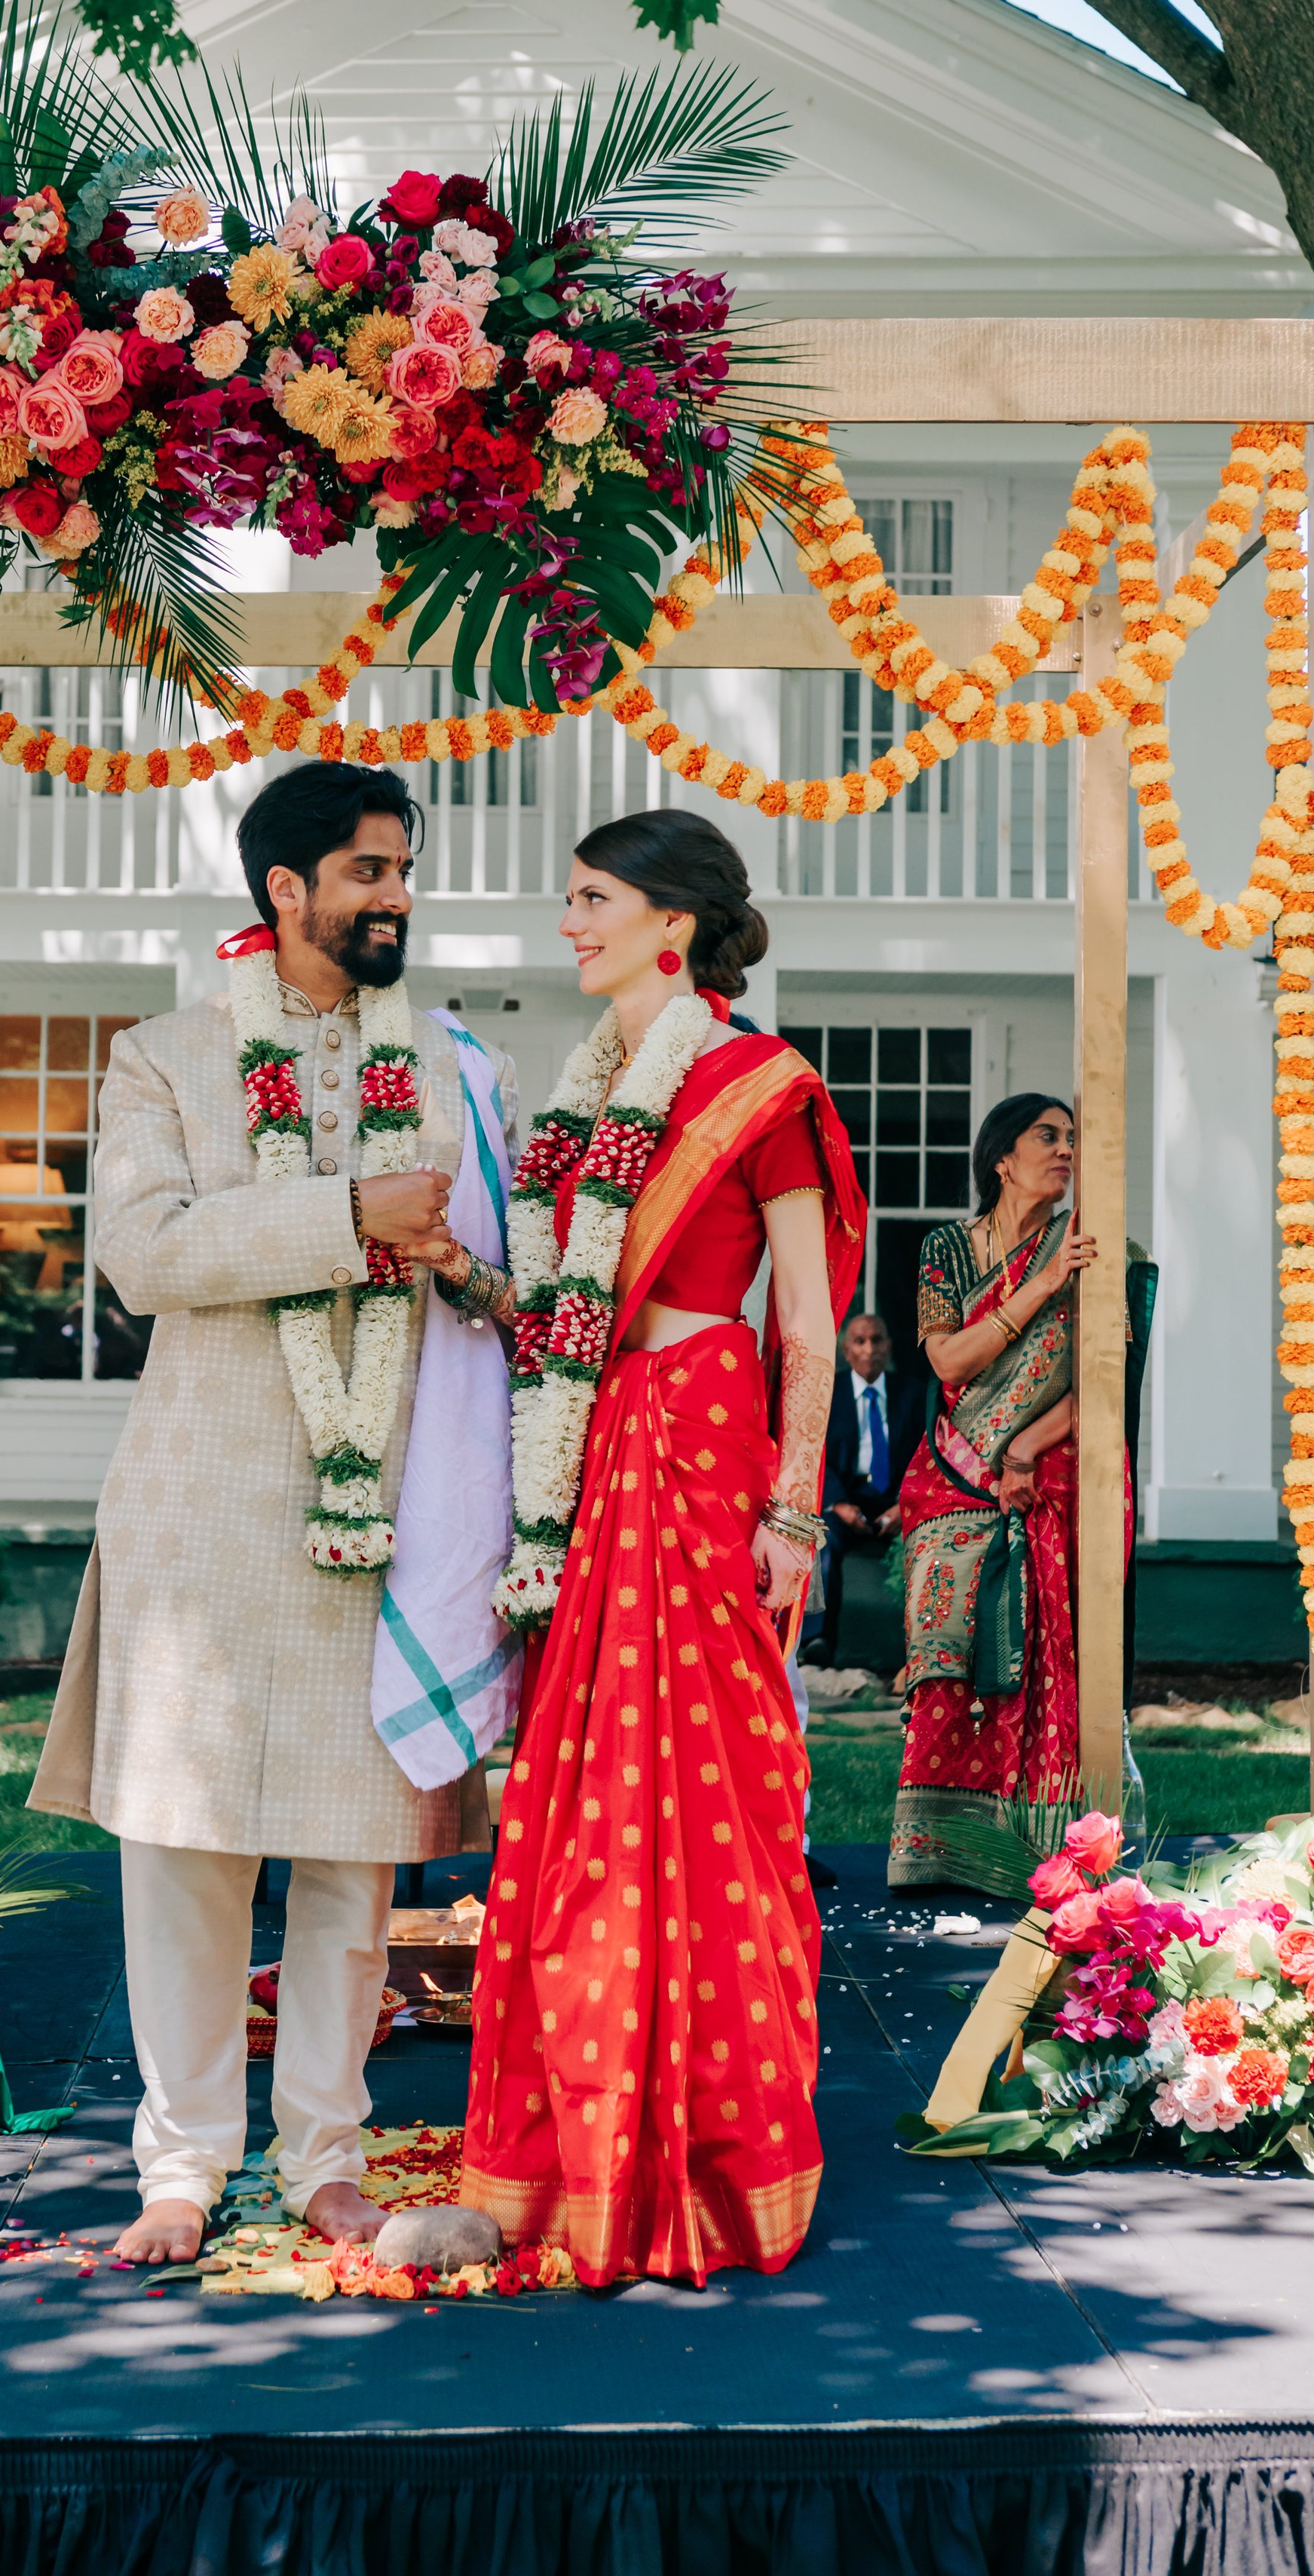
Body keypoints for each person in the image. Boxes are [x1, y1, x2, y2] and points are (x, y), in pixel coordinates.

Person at [30, 762, 513, 2268]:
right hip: (204, 1503)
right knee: (181, 1849)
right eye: (369, 871)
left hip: (382, 1504)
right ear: (285, 890)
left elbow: (497, 1265)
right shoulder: (162, 1058)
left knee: (350, 1858)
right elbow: (143, 1252)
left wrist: (465, 1269)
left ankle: (324, 2153)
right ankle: (177, 2162)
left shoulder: (446, 1067)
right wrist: (346, 1221)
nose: (396, 896)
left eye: (404, 869)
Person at [459, 808, 865, 2286]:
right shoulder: (575, 1095)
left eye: (589, 900)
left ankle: (697, 2147)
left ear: (669, 924)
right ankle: (575, 2140)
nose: (565, 923)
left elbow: (807, 1328)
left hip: (700, 1452)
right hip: (593, 1451)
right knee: (576, 1800)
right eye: (564, 899)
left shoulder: (759, 1085)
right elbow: (563, 1309)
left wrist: (794, 1509)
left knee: (702, 1794)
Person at [887, 1094, 1123, 1891]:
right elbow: (948, 1362)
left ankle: (1034, 1852)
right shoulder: (946, 1250)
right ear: (1002, 1157)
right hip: (954, 1472)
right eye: (1046, 1136)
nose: (1064, 1149)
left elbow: (1103, 1378)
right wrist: (1042, 1285)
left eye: (1071, 1137)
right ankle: (940, 1848)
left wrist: (1026, 1442)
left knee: (1040, 1654)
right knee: (946, 1650)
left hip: (1045, 1468)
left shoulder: (1091, 1245)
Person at [806, 1311, 925, 1668]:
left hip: (896, 1501)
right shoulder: (828, 1393)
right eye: (860, 1340)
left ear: (889, 1347)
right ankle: (817, 1642)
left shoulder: (913, 1394)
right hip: (846, 1499)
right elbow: (816, 1453)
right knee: (822, 1546)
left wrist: (905, 1505)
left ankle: (919, 1652)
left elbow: (925, 1453)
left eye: (877, 1339)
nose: (869, 1348)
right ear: (846, 1350)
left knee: (927, 1546)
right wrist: (837, 1503)